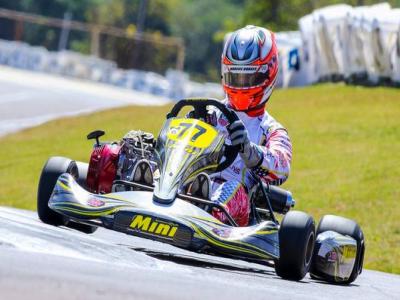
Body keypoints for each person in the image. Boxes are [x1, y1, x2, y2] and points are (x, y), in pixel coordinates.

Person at [189, 25, 292, 227]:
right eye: (235, 78)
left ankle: (207, 213)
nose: (240, 86)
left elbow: (282, 168)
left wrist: (250, 151)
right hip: (192, 181)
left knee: (232, 189)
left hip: (239, 200)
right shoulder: (209, 111)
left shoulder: (272, 130)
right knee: (123, 152)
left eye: (248, 78)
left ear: (267, 76)